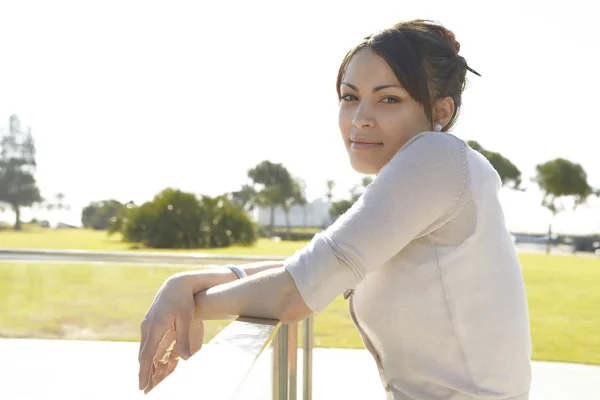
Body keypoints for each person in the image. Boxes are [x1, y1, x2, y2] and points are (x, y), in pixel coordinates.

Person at [138, 19, 532, 399]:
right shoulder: (433, 175)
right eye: (350, 96)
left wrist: (192, 306)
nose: (360, 119)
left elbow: (295, 292)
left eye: (389, 99)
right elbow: (314, 266)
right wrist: (194, 280)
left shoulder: (437, 157)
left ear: (440, 112)